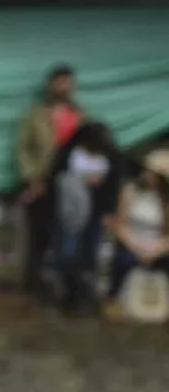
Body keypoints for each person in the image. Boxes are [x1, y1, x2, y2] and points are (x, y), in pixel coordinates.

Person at [17, 64, 84, 297]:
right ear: (50, 85)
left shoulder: (80, 114)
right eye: (59, 81)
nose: (63, 86)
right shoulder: (36, 114)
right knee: (40, 235)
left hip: (72, 182)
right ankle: (36, 286)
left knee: (68, 233)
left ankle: (66, 286)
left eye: (68, 82)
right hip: (42, 182)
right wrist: (31, 177)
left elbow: (90, 148)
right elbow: (23, 149)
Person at [47, 121, 122, 314]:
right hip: (70, 212)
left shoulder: (110, 157)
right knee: (67, 252)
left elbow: (113, 185)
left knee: (90, 253)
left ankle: (84, 294)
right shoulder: (69, 153)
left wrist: (109, 211)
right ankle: (67, 292)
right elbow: (56, 178)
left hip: (96, 212)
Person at [102, 149, 169, 320]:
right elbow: (120, 225)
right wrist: (136, 246)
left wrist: (154, 250)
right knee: (122, 260)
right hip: (131, 239)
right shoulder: (130, 191)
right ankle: (113, 299)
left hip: (155, 244)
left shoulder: (164, 201)